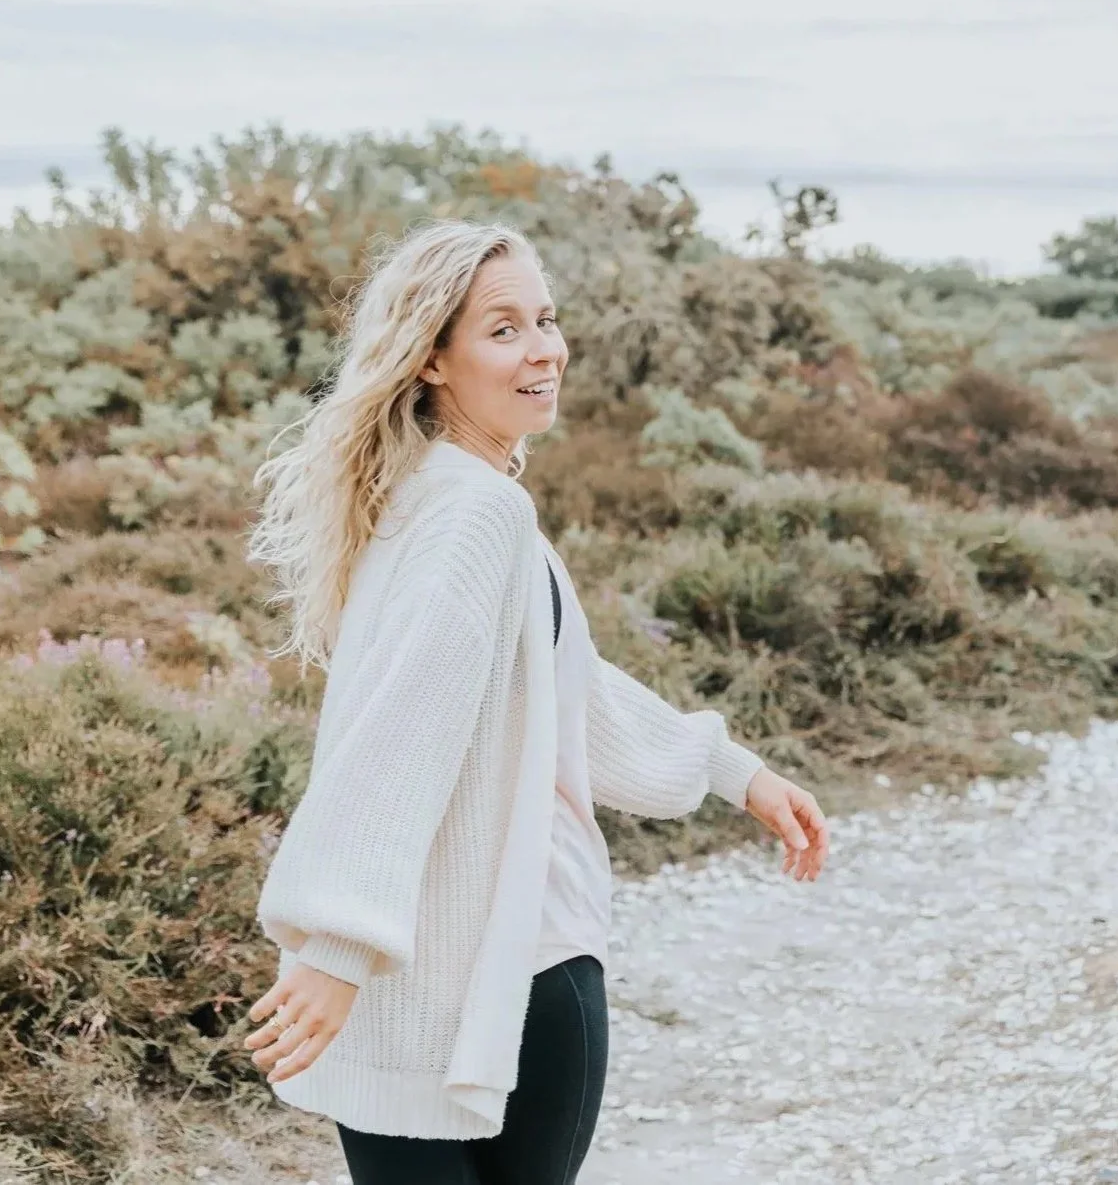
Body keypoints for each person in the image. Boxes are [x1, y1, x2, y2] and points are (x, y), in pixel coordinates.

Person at [242, 218, 830, 1185]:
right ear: (431, 358)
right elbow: (405, 730)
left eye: (545, 320)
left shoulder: (462, 501)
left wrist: (734, 771)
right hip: (455, 974)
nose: (544, 349)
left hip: (507, 965)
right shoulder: (463, 507)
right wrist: (339, 942)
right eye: (503, 328)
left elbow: (561, 690)